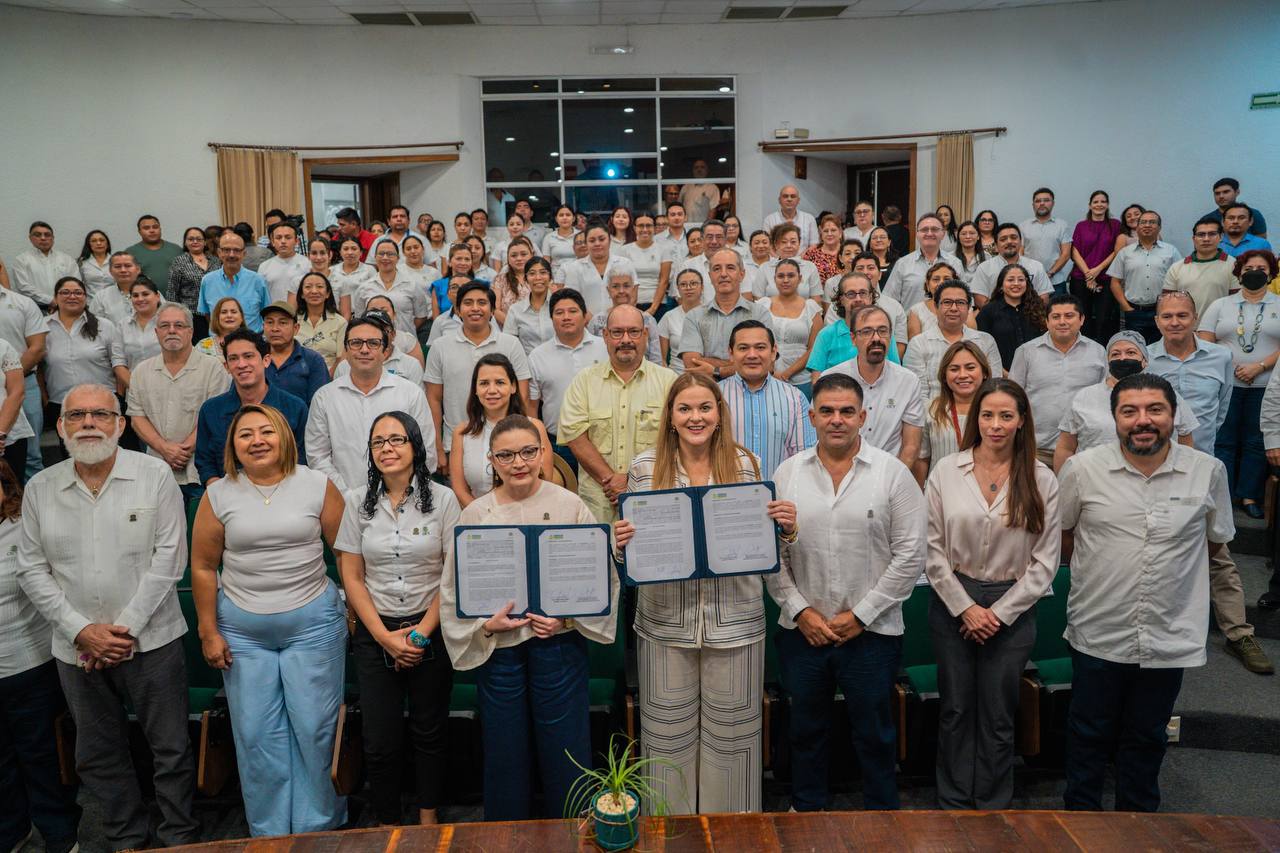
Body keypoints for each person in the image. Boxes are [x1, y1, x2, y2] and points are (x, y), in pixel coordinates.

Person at [17, 385, 197, 850]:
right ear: (60, 426)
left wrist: (121, 632)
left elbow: (170, 560)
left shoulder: (154, 475)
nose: (89, 423)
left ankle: (179, 838)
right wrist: (83, 631)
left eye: (101, 413)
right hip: (76, 648)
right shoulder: (40, 487)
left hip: (152, 640)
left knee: (170, 750)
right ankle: (126, 840)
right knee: (97, 754)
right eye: (77, 415)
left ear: (120, 423)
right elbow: (31, 569)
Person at [613, 373, 795, 814]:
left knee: (733, 739)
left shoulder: (746, 464)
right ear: (671, 418)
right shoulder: (642, 468)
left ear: (719, 413)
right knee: (665, 739)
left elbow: (765, 544)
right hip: (664, 625)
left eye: (705, 408)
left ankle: (733, 837)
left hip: (735, 622)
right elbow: (631, 557)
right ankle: (669, 838)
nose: (696, 417)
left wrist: (786, 529)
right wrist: (619, 546)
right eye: (685, 409)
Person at [1059, 373, 1234, 813]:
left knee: (1148, 736)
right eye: (1129, 411)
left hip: (1167, 633)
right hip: (1098, 629)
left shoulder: (1207, 472)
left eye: (1155, 410)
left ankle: (1139, 826)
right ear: (1114, 418)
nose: (1143, 420)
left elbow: (1214, 543)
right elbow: (1064, 538)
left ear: (1174, 416)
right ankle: (1081, 823)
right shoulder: (1082, 469)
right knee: (1087, 734)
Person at [438, 414, 619, 821]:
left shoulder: (570, 505)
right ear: (492, 461)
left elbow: (600, 579)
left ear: (542, 455)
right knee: (504, 754)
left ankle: (572, 836)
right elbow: (451, 590)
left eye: (527, 452)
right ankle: (505, 838)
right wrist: (485, 625)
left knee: (567, 753)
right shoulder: (476, 515)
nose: (517, 462)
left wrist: (566, 620)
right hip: (500, 652)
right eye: (506, 455)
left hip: (557, 647)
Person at [760, 371, 923, 811]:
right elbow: (773, 552)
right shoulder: (787, 473)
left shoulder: (892, 474)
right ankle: (806, 808)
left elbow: (910, 556)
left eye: (847, 411)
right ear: (811, 416)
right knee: (806, 729)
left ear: (863, 417)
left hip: (872, 634)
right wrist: (800, 611)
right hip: (803, 631)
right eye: (827, 411)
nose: (837, 420)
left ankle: (882, 814)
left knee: (874, 731)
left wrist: (861, 615)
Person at [191, 403, 348, 836]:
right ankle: (271, 831)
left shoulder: (317, 484)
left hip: (314, 625)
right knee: (257, 734)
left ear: (284, 437)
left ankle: (319, 825)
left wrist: (355, 605)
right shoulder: (218, 494)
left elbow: (345, 553)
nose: (257, 440)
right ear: (233, 446)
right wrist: (209, 631)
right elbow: (204, 567)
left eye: (266, 431)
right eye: (246, 434)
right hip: (243, 632)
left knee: (315, 728)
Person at [926, 378, 1059, 809]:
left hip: (1014, 603)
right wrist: (966, 609)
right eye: (987, 415)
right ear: (975, 419)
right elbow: (932, 550)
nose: (996, 425)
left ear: (1022, 421)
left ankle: (991, 806)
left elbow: (1045, 562)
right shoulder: (947, 470)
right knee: (956, 709)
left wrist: (998, 614)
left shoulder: (1041, 477)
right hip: (953, 599)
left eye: (1006, 416)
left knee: (999, 713)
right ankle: (953, 803)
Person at [334, 412, 460, 827]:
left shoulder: (442, 500)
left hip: (431, 628)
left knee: (429, 730)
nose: (387, 448)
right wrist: (385, 638)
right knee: (380, 740)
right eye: (378, 443)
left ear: (415, 447)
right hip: (375, 630)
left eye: (397, 440)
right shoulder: (356, 501)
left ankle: (428, 818)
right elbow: (351, 575)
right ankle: (387, 822)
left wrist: (420, 636)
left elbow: (452, 574)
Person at [0, 457, 81, 853]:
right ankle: (11, 832)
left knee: (42, 757)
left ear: (5, 486)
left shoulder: (23, 529)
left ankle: (60, 834)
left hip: (29, 665)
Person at [559, 305, 676, 523]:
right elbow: (575, 437)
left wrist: (633, 481)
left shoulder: (669, 382)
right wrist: (612, 481)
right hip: (598, 502)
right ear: (604, 336)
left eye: (633, 332)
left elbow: (675, 439)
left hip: (652, 496)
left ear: (645, 335)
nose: (626, 339)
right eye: (617, 332)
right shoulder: (583, 381)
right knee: (601, 557)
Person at [306, 316, 436, 491]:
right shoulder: (325, 398)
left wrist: (395, 494)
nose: (364, 350)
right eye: (356, 343)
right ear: (346, 349)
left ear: (385, 350)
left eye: (373, 343)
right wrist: (347, 496)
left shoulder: (410, 394)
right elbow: (317, 457)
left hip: (402, 500)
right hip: (343, 503)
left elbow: (426, 451)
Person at [1196, 254, 1280, 518]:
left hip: (1266, 385)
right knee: (1224, 441)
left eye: (1261, 268)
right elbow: (1205, 339)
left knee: (1256, 441)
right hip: (1227, 382)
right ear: (1239, 272)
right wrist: (1232, 366)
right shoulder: (1221, 304)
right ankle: (1223, 494)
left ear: (1271, 274)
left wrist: (1260, 366)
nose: (1254, 272)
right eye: (1249, 268)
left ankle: (1248, 495)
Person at [1053, 331, 1199, 471]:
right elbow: (1065, 447)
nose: (1122, 358)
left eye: (1131, 352)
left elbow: (1186, 442)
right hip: (1095, 482)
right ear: (1108, 362)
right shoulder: (1084, 397)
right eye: (1115, 354)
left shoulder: (1165, 394)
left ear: (1145, 361)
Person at [127, 303, 228, 503]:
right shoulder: (141, 371)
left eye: (179, 325)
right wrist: (164, 448)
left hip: (200, 472)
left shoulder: (213, 368)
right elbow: (137, 417)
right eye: (165, 325)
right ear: (156, 332)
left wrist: (182, 451)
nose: (171, 330)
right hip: (156, 471)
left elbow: (215, 417)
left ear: (190, 331)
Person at [424, 281, 529, 471]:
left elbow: (523, 396)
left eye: (482, 302)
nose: (475, 308)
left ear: (492, 310)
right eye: (468, 303)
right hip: (457, 443)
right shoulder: (440, 347)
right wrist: (438, 448)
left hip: (509, 443)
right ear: (457, 309)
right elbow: (433, 399)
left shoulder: (511, 344)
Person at [195, 328, 308, 486]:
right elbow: (205, 464)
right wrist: (221, 495)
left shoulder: (294, 408)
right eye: (233, 358)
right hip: (229, 500)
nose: (241, 364)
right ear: (227, 366)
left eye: (248, 356)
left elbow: (301, 462)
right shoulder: (211, 410)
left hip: (282, 496)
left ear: (266, 360)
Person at [1008, 294, 1107, 465]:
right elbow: (1012, 398)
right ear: (1047, 321)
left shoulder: (1098, 352)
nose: (1062, 322)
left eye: (1069, 316)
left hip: (1084, 451)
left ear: (1081, 319)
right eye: (1056, 316)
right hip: (1035, 450)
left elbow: (1105, 399)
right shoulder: (1026, 352)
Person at [820, 306, 924, 468]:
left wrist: (893, 482)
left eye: (882, 331)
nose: (876, 338)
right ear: (853, 339)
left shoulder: (908, 382)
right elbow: (823, 438)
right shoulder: (830, 379)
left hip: (888, 476)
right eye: (867, 331)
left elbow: (911, 446)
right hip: (840, 472)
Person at [450, 354, 552, 507]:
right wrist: (486, 518)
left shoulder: (535, 427)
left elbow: (545, 480)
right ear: (475, 390)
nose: (492, 390)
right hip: (480, 520)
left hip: (528, 515)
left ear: (513, 387)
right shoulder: (462, 432)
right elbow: (460, 489)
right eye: (484, 383)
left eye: (500, 382)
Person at [719, 319, 815, 478]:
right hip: (727, 497)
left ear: (773, 352)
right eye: (743, 348)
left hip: (780, 497)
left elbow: (804, 458)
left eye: (760, 347)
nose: (752, 355)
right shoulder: (715, 396)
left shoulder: (795, 398)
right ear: (731, 353)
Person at [42, 278, 128, 450]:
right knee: (72, 456)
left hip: (104, 404)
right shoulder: (43, 327)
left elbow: (118, 363)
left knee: (110, 452)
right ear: (55, 297)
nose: (71, 296)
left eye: (77, 292)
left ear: (86, 297)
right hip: (62, 405)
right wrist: (45, 400)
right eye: (65, 292)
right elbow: (38, 369)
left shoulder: (105, 326)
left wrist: (118, 397)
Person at [528, 289, 607, 473]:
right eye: (559, 312)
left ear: (585, 315)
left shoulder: (605, 347)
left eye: (573, 311)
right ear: (551, 318)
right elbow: (531, 407)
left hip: (602, 441)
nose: (566, 317)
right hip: (558, 444)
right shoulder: (538, 356)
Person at [903, 279, 1003, 402]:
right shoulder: (918, 344)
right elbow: (917, 394)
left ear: (969, 308)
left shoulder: (985, 341)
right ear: (936, 306)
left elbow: (994, 387)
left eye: (960, 303)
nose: (954, 308)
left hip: (979, 415)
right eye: (947, 302)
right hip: (933, 416)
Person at [680, 249, 771, 377]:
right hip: (709, 391)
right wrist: (742, 364)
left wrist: (716, 370)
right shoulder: (694, 316)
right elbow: (692, 363)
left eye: (730, 268)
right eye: (717, 269)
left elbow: (767, 363)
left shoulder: (760, 314)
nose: (723, 274)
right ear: (710, 276)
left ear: (742, 274)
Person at [914, 341, 992, 477]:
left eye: (970, 368)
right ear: (944, 376)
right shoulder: (931, 410)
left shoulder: (996, 412)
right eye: (954, 369)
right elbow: (922, 459)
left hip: (984, 492)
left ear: (984, 372)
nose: (962, 375)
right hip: (941, 492)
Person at [1109, 210, 1180, 344]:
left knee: (1162, 348)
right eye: (1143, 222)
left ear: (1159, 227)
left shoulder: (1171, 251)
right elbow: (1115, 282)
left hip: (1163, 311)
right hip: (1134, 311)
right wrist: (1126, 307)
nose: (1147, 225)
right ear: (1137, 227)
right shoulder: (1125, 253)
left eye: (1152, 222)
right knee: (1136, 349)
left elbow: (1180, 280)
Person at [0, 279, 45, 480]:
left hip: (23, 383)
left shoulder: (22, 303)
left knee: (31, 456)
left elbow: (37, 347)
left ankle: (30, 508)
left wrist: (12, 376)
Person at [757, 261, 822, 397]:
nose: (785, 280)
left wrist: (787, 374)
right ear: (774, 279)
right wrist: (772, 372)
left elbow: (814, 349)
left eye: (791, 275)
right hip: (765, 377)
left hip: (801, 379)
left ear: (800, 278)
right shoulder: (762, 305)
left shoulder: (811, 308)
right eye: (781, 276)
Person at [1069, 190, 1125, 342]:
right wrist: (1088, 274)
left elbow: (1117, 251)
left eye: (1103, 201)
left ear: (1107, 205)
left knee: (1104, 320)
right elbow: (1074, 251)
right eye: (1096, 201)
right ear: (1090, 205)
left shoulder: (1115, 225)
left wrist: (1097, 270)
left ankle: (1102, 352)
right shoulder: (1081, 226)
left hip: (1106, 278)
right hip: (1081, 278)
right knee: (1082, 319)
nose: (1099, 204)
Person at [881, 214, 962, 310]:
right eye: (924, 230)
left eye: (935, 229)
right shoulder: (902, 264)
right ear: (917, 234)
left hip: (947, 323)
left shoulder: (955, 263)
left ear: (943, 234)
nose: (929, 233)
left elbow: (963, 299)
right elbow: (889, 301)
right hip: (910, 323)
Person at [976, 264, 1048, 368]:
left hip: (1038, 370)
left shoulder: (1039, 308)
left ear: (1027, 283)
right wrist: (1005, 375)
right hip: (1002, 375)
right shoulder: (988, 311)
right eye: (1010, 280)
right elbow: (982, 348)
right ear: (1001, 285)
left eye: (1021, 280)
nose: (1016, 284)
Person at [197, 230, 270, 333]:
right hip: (219, 344)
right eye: (226, 250)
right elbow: (207, 315)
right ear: (219, 253)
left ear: (244, 254)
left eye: (236, 250)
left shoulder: (258, 281)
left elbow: (266, 314)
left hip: (251, 342)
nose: (231, 255)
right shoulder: (207, 281)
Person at [1161, 218, 1236, 317]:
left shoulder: (1233, 265)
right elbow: (1167, 303)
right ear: (1194, 239)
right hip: (1186, 328)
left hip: (1221, 327)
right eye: (1201, 235)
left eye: (1212, 234)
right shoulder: (1177, 267)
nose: (1206, 239)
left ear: (1221, 236)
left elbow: (1237, 302)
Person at [968, 224, 1054, 308]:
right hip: (995, 319)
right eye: (1003, 239)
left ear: (1020, 242)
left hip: (1029, 317)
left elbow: (1044, 298)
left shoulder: (1036, 266)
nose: (1009, 241)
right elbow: (980, 300)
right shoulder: (984, 268)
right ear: (996, 245)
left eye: (1013, 237)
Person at [259, 301, 329, 405]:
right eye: (270, 322)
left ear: (296, 328)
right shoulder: (253, 358)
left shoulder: (313, 360)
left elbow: (319, 405)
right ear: (263, 326)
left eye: (282, 323)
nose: (275, 329)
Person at [355, 241, 428, 338]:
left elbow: (421, 316)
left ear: (398, 258)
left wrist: (405, 330)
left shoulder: (412, 285)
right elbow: (360, 319)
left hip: (406, 343)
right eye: (381, 254)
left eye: (390, 254)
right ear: (375, 257)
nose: (385, 258)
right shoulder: (364, 288)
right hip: (374, 343)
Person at [560, 225, 637, 317]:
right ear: (586, 243)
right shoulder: (575, 267)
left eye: (601, 239)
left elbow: (633, 296)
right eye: (592, 241)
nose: (597, 244)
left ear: (609, 241)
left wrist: (618, 319)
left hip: (621, 322)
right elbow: (572, 300)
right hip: (586, 322)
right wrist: (593, 321)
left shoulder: (625, 263)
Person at [586, 271, 662, 364]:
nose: (621, 291)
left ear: (634, 289)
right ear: (608, 290)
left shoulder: (648, 320)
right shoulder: (596, 321)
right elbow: (589, 355)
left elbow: (656, 358)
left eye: (626, 286)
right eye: (615, 286)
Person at [167, 227, 221, 338]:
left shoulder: (215, 260)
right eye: (191, 239)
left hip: (216, 313)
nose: (195, 242)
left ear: (205, 242)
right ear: (185, 242)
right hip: (192, 315)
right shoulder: (179, 262)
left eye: (199, 239)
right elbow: (172, 292)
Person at [10, 222, 78, 308]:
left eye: (47, 235)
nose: (43, 238)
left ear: (53, 238)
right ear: (30, 238)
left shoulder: (67, 259)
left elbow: (76, 284)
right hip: (33, 308)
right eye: (37, 235)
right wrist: (51, 301)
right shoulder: (21, 260)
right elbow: (23, 287)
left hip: (65, 307)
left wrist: (62, 301)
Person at [1020, 188, 1074, 295]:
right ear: (1033, 205)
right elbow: (1020, 253)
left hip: (1056, 282)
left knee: (1056, 311)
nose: (1042, 203)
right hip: (1030, 282)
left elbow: (1066, 254)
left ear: (1053, 203)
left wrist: (1050, 273)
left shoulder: (1062, 225)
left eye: (1046, 200)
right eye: (1038, 201)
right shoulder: (1023, 226)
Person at [748, 223, 821, 300]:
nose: (789, 245)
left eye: (793, 242)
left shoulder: (810, 267)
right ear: (776, 245)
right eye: (784, 242)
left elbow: (816, 300)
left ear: (799, 244)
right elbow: (758, 299)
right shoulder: (765, 268)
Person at [906, 261, 975, 340]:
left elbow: (973, 340)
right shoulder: (916, 310)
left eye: (947, 279)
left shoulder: (966, 309)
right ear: (928, 285)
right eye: (936, 279)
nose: (941, 283)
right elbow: (914, 344)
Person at [621, 212, 672, 315]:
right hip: (631, 304)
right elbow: (623, 280)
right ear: (635, 228)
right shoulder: (624, 250)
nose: (645, 229)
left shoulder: (664, 250)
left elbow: (664, 281)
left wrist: (653, 309)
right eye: (641, 226)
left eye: (648, 226)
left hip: (658, 305)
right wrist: (630, 305)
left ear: (654, 228)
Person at [296, 271, 347, 372]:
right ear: (301, 294)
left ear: (327, 293)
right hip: (297, 373)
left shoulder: (340, 322)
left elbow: (341, 358)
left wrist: (329, 376)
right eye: (308, 287)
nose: (314, 291)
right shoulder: (292, 321)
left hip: (329, 375)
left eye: (319, 286)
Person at [502, 255, 555, 354]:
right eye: (532, 273)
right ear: (526, 279)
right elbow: (508, 344)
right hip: (527, 365)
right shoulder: (515, 310)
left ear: (550, 277)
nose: (538, 277)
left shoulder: (559, 306)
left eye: (543, 272)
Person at [121, 215, 182, 296]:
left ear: (160, 229)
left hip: (176, 301)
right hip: (144, 302)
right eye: (146, 228)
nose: (152, 230)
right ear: (139, 231)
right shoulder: (130, 253)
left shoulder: (176, 249)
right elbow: (125, 280)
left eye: (155, 227)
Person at [657, 269, 704, 373]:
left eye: (693, 283)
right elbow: (662, 359)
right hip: (675, 376)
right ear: (677, 289)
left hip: (706, 375)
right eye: (683, 284)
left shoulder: (711, 314)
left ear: (702, 287)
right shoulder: (669, 316)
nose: (688, 288)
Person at [255, 222, 309, 306]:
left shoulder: (307, 264)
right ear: (272, 242)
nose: (283, 241)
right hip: (273, 314)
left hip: (300, 316)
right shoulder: (264, 267)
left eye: (288, 237)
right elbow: (260, 296)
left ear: (296, 241)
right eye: (278, 238)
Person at [88, 250, 141, 326]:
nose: (123, 270)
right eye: (118, 266)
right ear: (110, 271)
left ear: (138, 269)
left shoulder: (150, 292)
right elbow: (94, 325)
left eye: (128, 266)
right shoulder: (101, 297)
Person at [327, 237, 371, 317]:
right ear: (340, 252)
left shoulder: (369, 270)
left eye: (354, 249)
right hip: (336, 317)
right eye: (346, 249)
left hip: (363, 317)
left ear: (361, 252)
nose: (350, 252)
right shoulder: (331, 270)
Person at [802, 214, 846, 284]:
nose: (829, 234)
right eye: (825, 231)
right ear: (821, 233)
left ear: (840, 232)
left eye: (833, 230)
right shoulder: (811, 253)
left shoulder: (847, 252)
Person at [679, 159, 721, 224]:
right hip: (685, 225)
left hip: (701, 226)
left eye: (702, 167)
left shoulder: (712, 188)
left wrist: (706, 227)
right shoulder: (686, 187)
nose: (699, 170)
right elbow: (679, 207)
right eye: (696, 167)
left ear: (707, 170)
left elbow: (713, 210)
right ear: (693, 171)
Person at [541, 205, 578, 276]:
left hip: (578, 275)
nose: (564, 218)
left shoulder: (581, 236)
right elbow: (546, 262)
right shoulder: (549, 237)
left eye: (568, 215)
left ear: (573, 218)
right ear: (556, 219)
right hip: (556, 277)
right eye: (561, 215)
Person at [77, 228, 113, 295]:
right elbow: (78, 284)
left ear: (107, 244)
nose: (98, 243)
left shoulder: (115, 261)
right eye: (94, 241)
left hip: (113, 301)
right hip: (90, 302)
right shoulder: (82, 262)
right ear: (89, 245)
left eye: (102, 240)